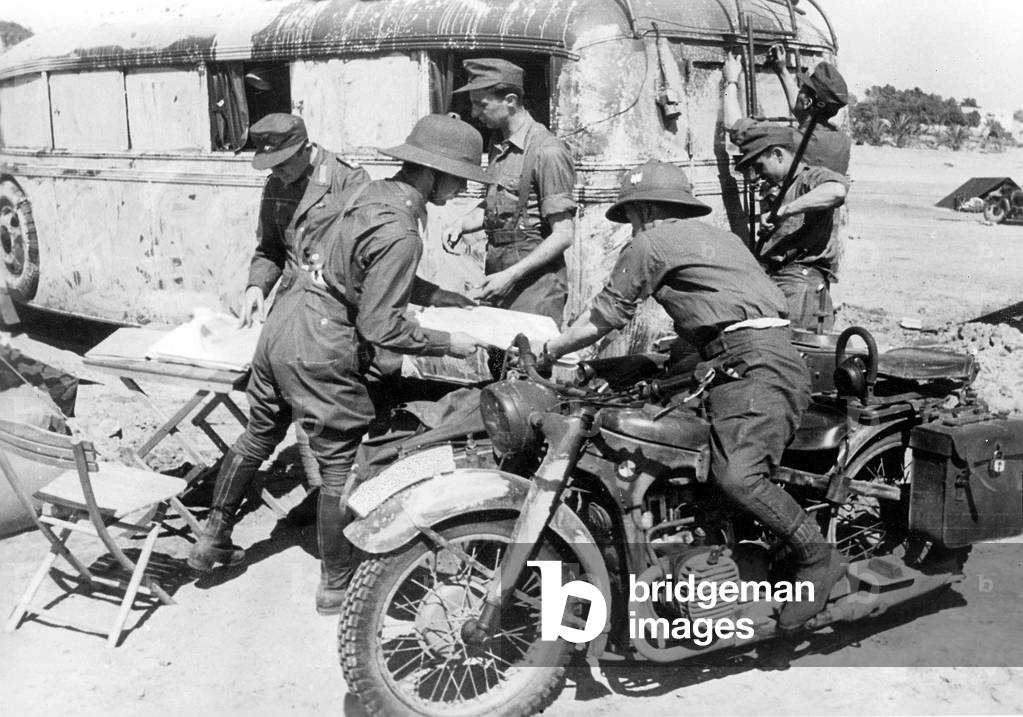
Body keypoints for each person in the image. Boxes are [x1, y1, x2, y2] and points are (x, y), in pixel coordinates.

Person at [189, 114, 488, 617]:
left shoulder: (368, 195)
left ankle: (212, 538)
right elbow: (380, 326)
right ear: (433, 174)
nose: (462, 189)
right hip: (320, 344)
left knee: (259, 433)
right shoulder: (402, 231)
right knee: (337, 468)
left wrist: (437, 295)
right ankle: (336, 583)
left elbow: (354, 268)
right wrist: (450, 343)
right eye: (459, 178)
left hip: (282, 328)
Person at [540, 160, 844, 631]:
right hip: (742, 356)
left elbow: (605, 317)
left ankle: (817, 556)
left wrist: (550, 350)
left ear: (644, 210)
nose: (632, 228)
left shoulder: (651, 242)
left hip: (756, 363)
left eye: (631, 217)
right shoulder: (722, 239)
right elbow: (714, 320)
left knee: (739, 477)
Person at [241, 113, 371, 522]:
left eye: (282, 162)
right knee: (283, 402)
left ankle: (329, 498)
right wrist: (256, 287)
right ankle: (320, 496)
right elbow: (269, 249)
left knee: (329, 409)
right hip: (290, 306)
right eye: (271, 165)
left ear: (306, 148)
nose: (277, 172)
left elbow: (363, 255)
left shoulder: (348, 180)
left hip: (333, 311)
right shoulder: (275, 184)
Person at [440, 58, 577, 327]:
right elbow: (498, 205)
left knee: (526, 350)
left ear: (510, 101)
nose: (474, 113)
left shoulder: (547, 151)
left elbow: (563, 234)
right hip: (499, 270)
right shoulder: (499, 144)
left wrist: (511, 275)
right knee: (496, 348)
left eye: (481, 104)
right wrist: (461, 224)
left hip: (534, 282)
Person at [734, 124, 849, 331]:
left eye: (759, 166)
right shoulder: (778, 188)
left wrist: (785, 211)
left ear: (777, 155)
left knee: (794, 345)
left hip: (800, 285)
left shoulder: (810, 177)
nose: (758, 174)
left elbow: (836, 191)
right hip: (779, 281)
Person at [722, 50, 851, 174]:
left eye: (801, 89)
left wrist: (731, 81)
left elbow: (732, 125)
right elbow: (804, 113)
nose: (798, 91)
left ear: (807, 102)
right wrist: (782, 70)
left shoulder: (789, 138)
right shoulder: (842, 141)